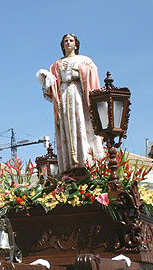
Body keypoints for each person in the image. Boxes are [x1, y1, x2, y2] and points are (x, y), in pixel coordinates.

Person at [37, 33, 104, 173]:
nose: (68, 43)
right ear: (62, 45)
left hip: (79, 93)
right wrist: (46, 79)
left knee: (81, 123)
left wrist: (78, 70)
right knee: (66, 126)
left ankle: (86, 161)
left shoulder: (84, 60)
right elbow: (51, 87)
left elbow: (93, 73)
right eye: (65, 41)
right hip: (63, 95)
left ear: (76, 44)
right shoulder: (57, 64)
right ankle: (69, 165)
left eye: (71, 40)